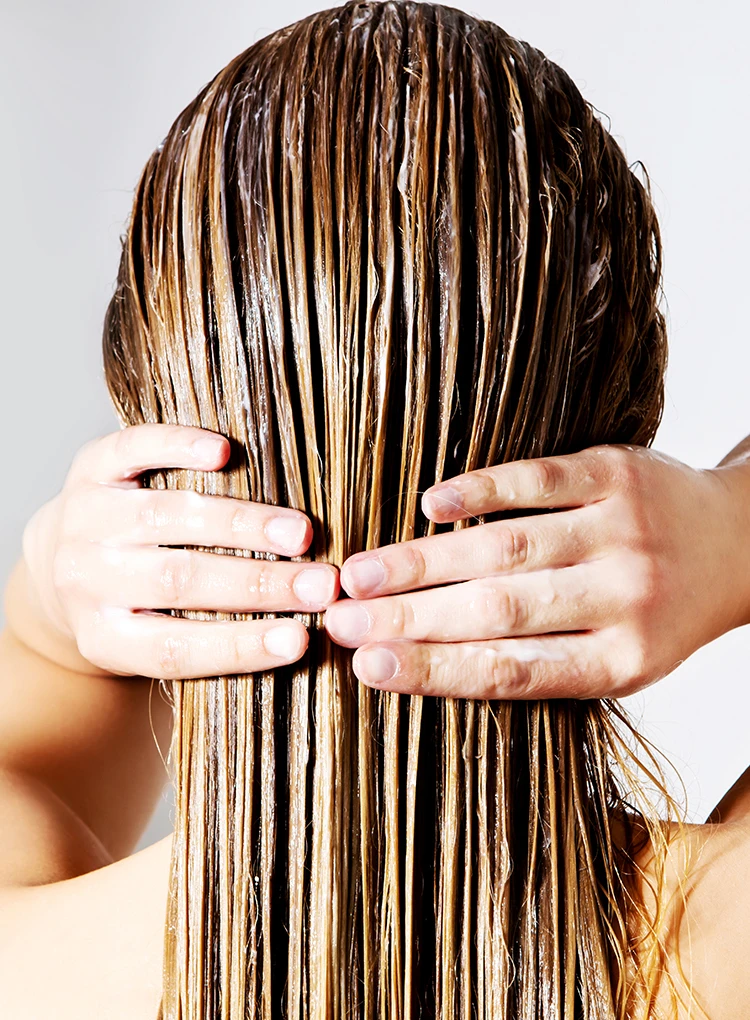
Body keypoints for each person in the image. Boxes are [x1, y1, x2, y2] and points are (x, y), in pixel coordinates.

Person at [2, 4, 750, 1019]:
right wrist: (733, 527)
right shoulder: (722, 936)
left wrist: (48, 608)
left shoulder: (31, 964)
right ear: (622, 446)